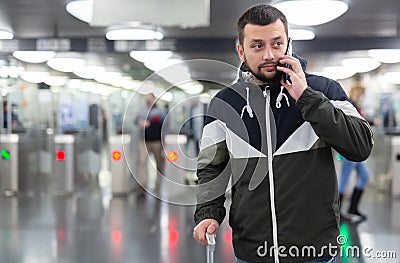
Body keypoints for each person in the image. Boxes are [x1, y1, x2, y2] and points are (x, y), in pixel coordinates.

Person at [193, 4, 373, 263]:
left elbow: (360, 146)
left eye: (277, 44)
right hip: (252, 251)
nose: (269, 54)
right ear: (241, 51)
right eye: (257, 46)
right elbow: (212, 167)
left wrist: (307, 98)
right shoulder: (225, 104)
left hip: (314, 252)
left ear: (289, 43)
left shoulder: (324, 90)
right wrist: (208, 212)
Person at [339, 75, 377, 222]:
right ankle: (338, 213)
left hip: (356, 148)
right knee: (344, 180)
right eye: (363, 95)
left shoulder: (357, 107)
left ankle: (352, 207)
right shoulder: (350, 105)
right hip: (349, 148)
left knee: (365, 176)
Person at [135, 93, 166, 194]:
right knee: (142, 162)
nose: (148, 101)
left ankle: (158, 184)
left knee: (159, 163)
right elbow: (135, 120)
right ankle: (143, 185)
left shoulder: (160, 110)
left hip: (157, 141)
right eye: (147, 99)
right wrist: (140, 122)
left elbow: (164, 122)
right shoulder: (142, 109)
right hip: (144, 140)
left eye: (150, 99)